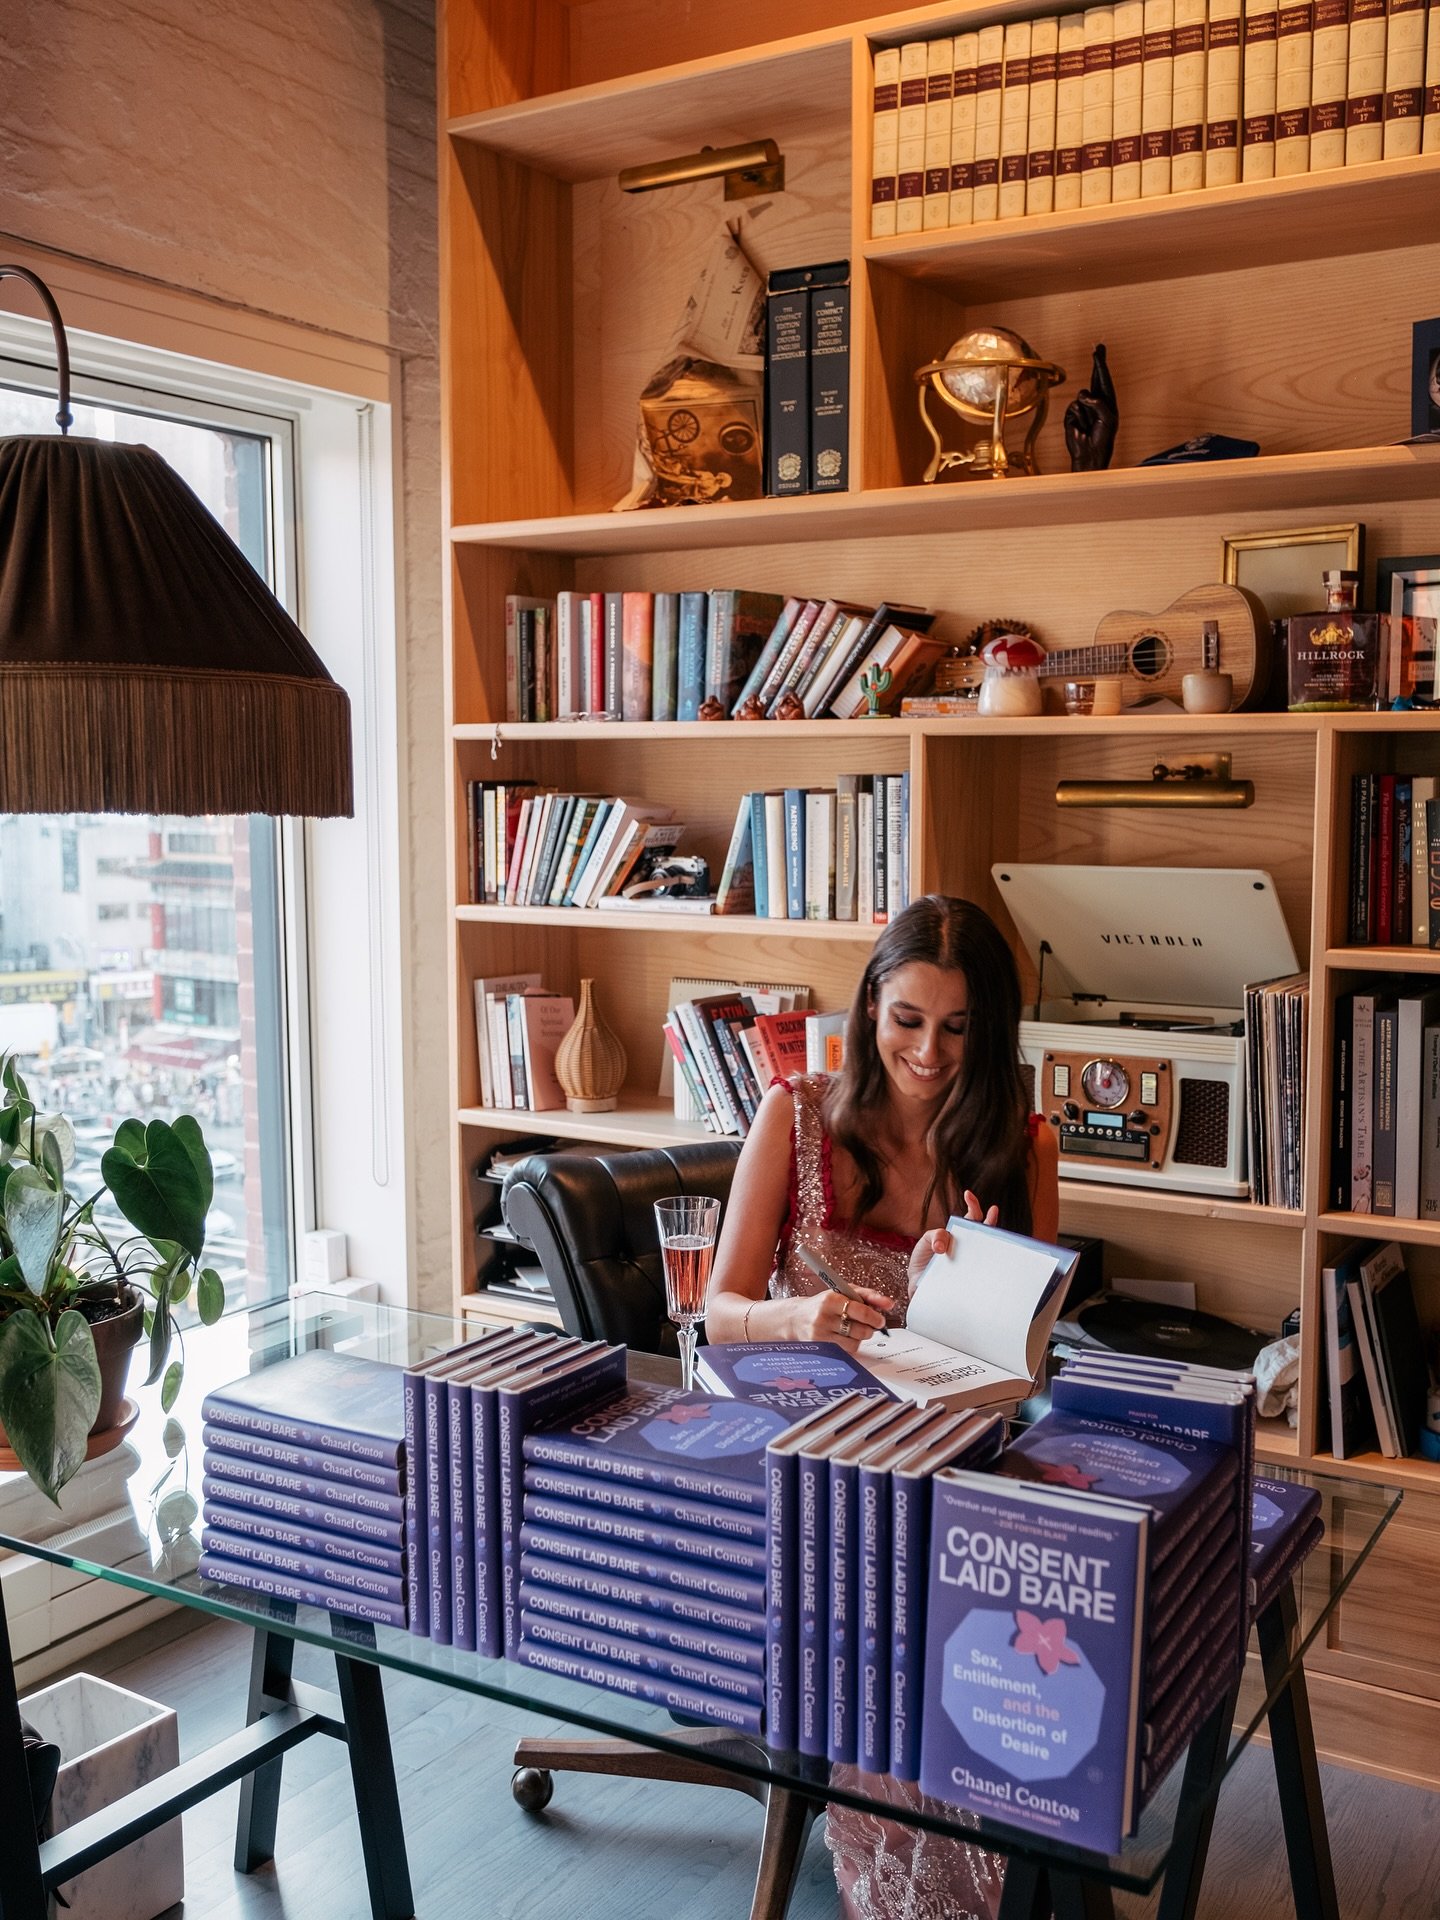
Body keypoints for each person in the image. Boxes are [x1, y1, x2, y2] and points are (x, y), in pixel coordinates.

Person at [704, 893, 1059, 1920]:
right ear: (868, 1009)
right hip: (801, 1457)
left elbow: (1027, 1375)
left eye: (958, 1028)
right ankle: (927, 1893)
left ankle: (989, 1859)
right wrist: (802, 1315)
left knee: (1006, 1586)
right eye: (907, 1019)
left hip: (940, 1460)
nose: (930, 1052)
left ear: (989, 1033)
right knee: (901, 1598)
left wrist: (989, 1285)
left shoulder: (1021, 1147)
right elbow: (720, 1314)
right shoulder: (797, 1116)